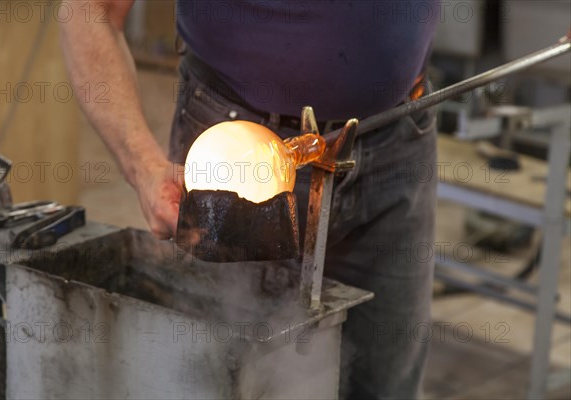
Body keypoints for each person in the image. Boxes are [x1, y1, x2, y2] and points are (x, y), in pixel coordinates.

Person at [60, 1, 439, 398]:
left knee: (384, 385)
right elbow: (89, 11)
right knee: (228, 380)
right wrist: (143, 166)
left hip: (398, 138)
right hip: (239, 159)